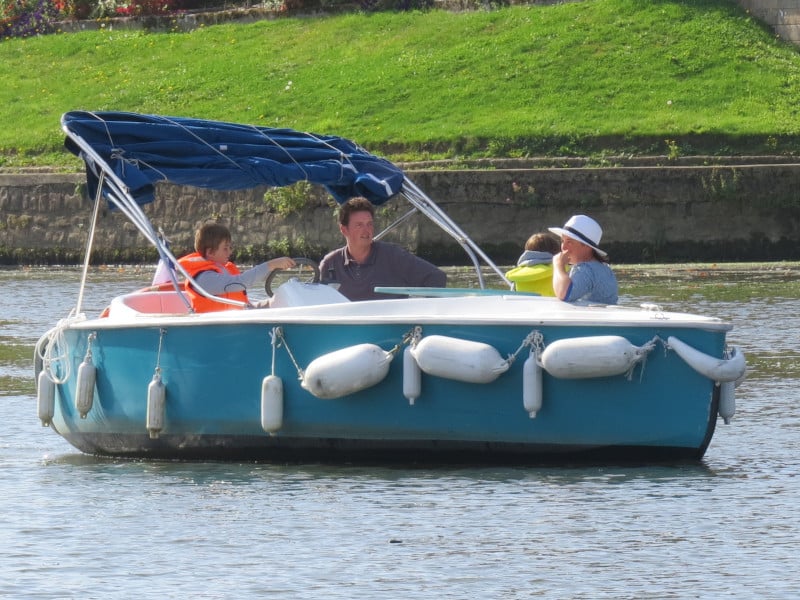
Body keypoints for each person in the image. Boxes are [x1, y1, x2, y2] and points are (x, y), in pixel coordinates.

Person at [319, 196, 447, 301]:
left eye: (369, 224)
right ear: (344, 229)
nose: (366, 230)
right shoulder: (330, 263)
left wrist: (416, 311)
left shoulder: (394, 257)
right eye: (359, 225)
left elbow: (436, 277)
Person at [177, 222, 295, 312]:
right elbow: (241, 282)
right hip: (215, 332)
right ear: (210, 252)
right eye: (225, 248)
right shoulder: (205, 278)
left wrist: (270, 303)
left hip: (232, 327)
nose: (230, 252)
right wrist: (271, 264)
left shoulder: (224, 270)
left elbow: (244, 306)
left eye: (230, 247)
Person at [548, 214, 618, 305]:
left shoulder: (586, 269)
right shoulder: (605, 269)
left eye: (569, 242)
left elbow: (564, 294)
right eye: (562, 241)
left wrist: (558, 265)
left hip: (592, 318)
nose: (563, 247)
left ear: (587, 246)